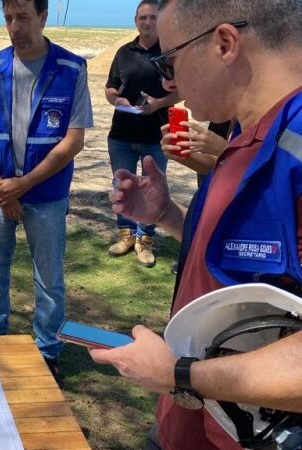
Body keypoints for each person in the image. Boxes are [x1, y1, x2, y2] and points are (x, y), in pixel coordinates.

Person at [90, 1, 302, 448]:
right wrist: (167, 217)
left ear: (225, 43)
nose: (169, 81)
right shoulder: (248, 139)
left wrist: (177, 374)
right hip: (191, 426)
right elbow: (246, 266)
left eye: (170, 59)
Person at [0, 0, 93, 378]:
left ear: (42, 17)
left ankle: (48, 351)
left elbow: (73, 140)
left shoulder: (71, 68)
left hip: (46, 195)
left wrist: (23, 185)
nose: (14, 26)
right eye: (8, 18)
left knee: (49, 277)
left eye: (23, 17)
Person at [104, 0, 180, 268]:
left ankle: (145, 240)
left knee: (152, 191)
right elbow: (110, 88)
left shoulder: (169, 53)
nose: (147, 22)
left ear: (159, 20)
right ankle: (125, 235)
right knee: (121, 187)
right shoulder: (124, 52)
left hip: (156, 137)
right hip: (121, 136)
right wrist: (117, 101)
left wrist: (158, 104)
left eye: (152, 17)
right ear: (135, 20)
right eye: (142, 17)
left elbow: (181, 90)